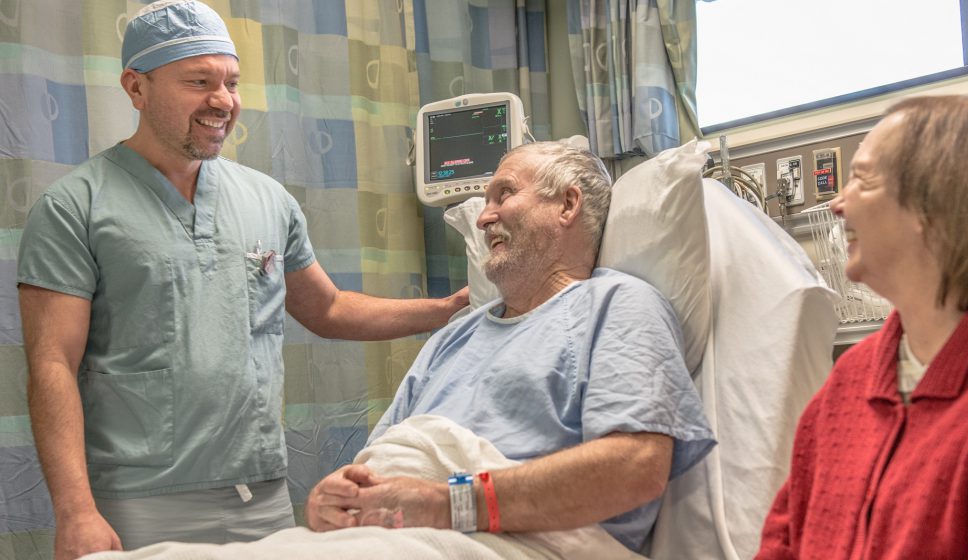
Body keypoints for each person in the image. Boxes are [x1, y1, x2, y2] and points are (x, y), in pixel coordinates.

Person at [16, 1, 467, 558]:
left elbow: (327, 309)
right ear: (136, 87)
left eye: (231, 82)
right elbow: (52, 364)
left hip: (262, 495)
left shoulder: (266, 200)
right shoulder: (75, 207)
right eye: (198, 82)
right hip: (138, 501)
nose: (223, 101)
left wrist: (447, 310)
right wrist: (76, 511)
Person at [304, 141, 716, 554]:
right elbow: (381, 460)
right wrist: (336, 499)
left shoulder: (617, 306)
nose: (483, 218)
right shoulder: (451, 339)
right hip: (391, 533)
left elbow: (636, 466)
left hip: (516, 542)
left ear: (568, 205)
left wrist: (448, 505)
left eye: (504, 194)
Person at [757, 94, 968, 559]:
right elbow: (784, 539)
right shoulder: (851, 382)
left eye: (861, 180)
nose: (837, 203)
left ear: (938, 205)